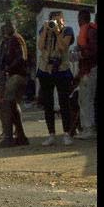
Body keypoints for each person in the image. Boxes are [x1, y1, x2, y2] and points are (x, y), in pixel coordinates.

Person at [36, 11, 75, 146]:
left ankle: (66, 134)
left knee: (64, 102)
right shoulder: (45, 30)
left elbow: (63, 47)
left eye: (59, 20)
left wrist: (58, 32)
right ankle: (51, 134)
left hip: (62, 70)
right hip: (45, 69)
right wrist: (46, 30)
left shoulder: (67, 30)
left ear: (63, 20)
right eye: (53, 21)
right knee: (48, 103)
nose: (56, 23)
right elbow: (40, 47)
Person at [0, 20, 30, 148]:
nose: (5, 29)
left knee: (7, 103)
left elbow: (21, 58)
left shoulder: (16, 39)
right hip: (13, 75)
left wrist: (7, 69)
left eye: (8, 26)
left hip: (18, 75)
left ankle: (9, 138)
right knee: (11, 105)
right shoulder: (7, 41)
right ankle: (20, 136)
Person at [74, 9, 97, 140]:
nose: (78, 22)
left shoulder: (90, 31)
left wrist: (80, 54)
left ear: (82, 19)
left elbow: (93, 51)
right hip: (87, 69)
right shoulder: (89, 30)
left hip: (90, 70)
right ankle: (88, 128)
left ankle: (88, 129)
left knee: (86, 100)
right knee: (85, 100)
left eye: (79, 19)